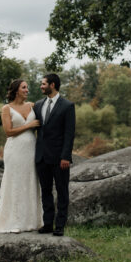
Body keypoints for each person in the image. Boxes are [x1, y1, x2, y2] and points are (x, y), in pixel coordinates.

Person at [0, 79, 43, 233]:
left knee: (31, 180)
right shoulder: (7, 108)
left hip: (31, 149)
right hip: (15, 150)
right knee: (16, 181)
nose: (27, 90)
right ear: (16, 90)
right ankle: (15, 221)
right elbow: (8, 132)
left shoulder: (32, 106)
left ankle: (34, 221)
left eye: (27, 87)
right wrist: (29, 126)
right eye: (24, 87)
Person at [34, 73, 75, 236]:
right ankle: (48, 223)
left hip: (60, 158)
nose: (41, 86)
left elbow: (69, 133)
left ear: (52, 85)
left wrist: (66, 156)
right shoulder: (37, 105)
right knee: (45, 191)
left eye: (43, 84)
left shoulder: (67, 106)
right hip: (42, 157)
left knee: (62, 191)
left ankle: (60, 225)